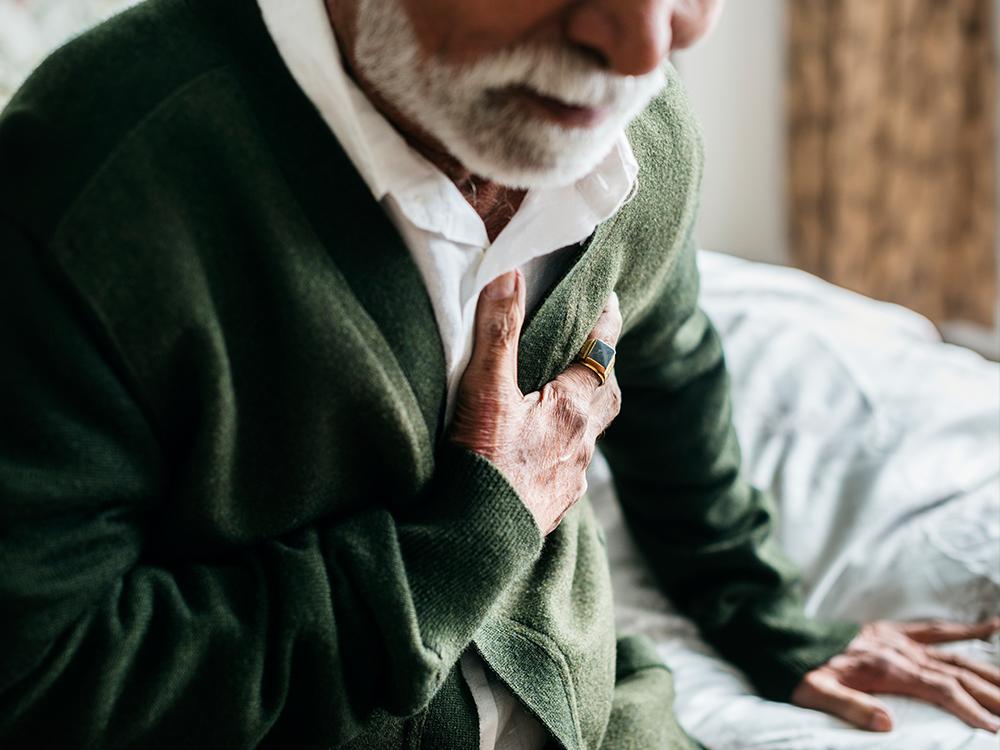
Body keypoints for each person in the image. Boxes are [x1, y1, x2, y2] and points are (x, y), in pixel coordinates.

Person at [0, 0, 997, 747]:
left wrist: (769, 620)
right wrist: (464, 543)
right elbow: (39, 679)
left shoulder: (641, 130)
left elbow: (671, 369)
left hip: (603, 713)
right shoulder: (88, 183)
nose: (649, 49)